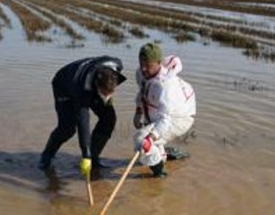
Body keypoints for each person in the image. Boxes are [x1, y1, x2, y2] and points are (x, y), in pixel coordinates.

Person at [39, 56, 126, 180]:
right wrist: (86, 155)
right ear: (96, 85)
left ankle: (94, 158)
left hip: (95, 85)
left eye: (110, 93)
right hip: (64, 86)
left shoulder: (117, 65)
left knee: (109, 118)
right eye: (104, 94)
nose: (107, 97)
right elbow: (83, 122)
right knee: (67, 128)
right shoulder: (81, 89)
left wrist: (107, 95)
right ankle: (46, 156)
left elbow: (109, 84)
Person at [133, 43, 196, 178]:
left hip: (178, 117)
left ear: (158, 63)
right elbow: (142, 92)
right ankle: (163, 155)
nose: (143, 69)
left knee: (141, 140)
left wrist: (151, 137)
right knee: (147, 148)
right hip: (158, 111)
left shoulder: (165, 87)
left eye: (148, 65)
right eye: (141, 63)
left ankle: (160, 173)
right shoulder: (141, 73)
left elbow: (165, 120)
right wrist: (138, 113)